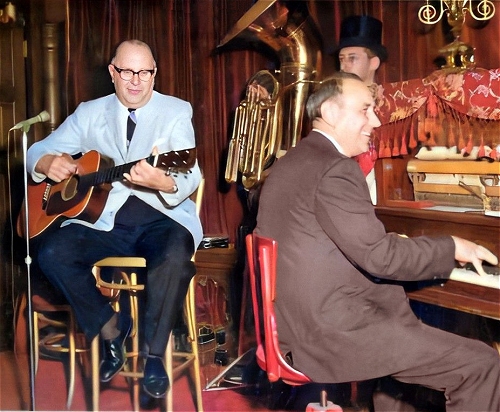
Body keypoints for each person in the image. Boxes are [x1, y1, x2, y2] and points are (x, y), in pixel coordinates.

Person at [254, 72, 500, 411]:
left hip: (297, 323)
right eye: (365, 109)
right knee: (481, 364)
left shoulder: (291, 162)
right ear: (331, 112)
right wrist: (452, 246)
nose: (377, 119)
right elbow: (380, 256)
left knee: (408, 350)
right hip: (333, 332)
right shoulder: (334, 168)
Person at [26, 39, 203, 400]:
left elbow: (190, 173)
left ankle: (154, 355)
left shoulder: (175, 111)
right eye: (127, 72)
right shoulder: (90, 112)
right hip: (104, 219)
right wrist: (46, 163)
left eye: (145, 72)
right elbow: (38, 150)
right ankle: (111, 327)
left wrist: (163, 181)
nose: (136, 81)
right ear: (112, 73)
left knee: (174, 257)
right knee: (51, 251)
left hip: (162, 219)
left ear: (155, 73)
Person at [335, 14, 388, 204]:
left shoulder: (394, 102)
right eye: (341, 59)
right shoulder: (332, 101)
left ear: (373, 62)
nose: (344, 66)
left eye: (352, 58)